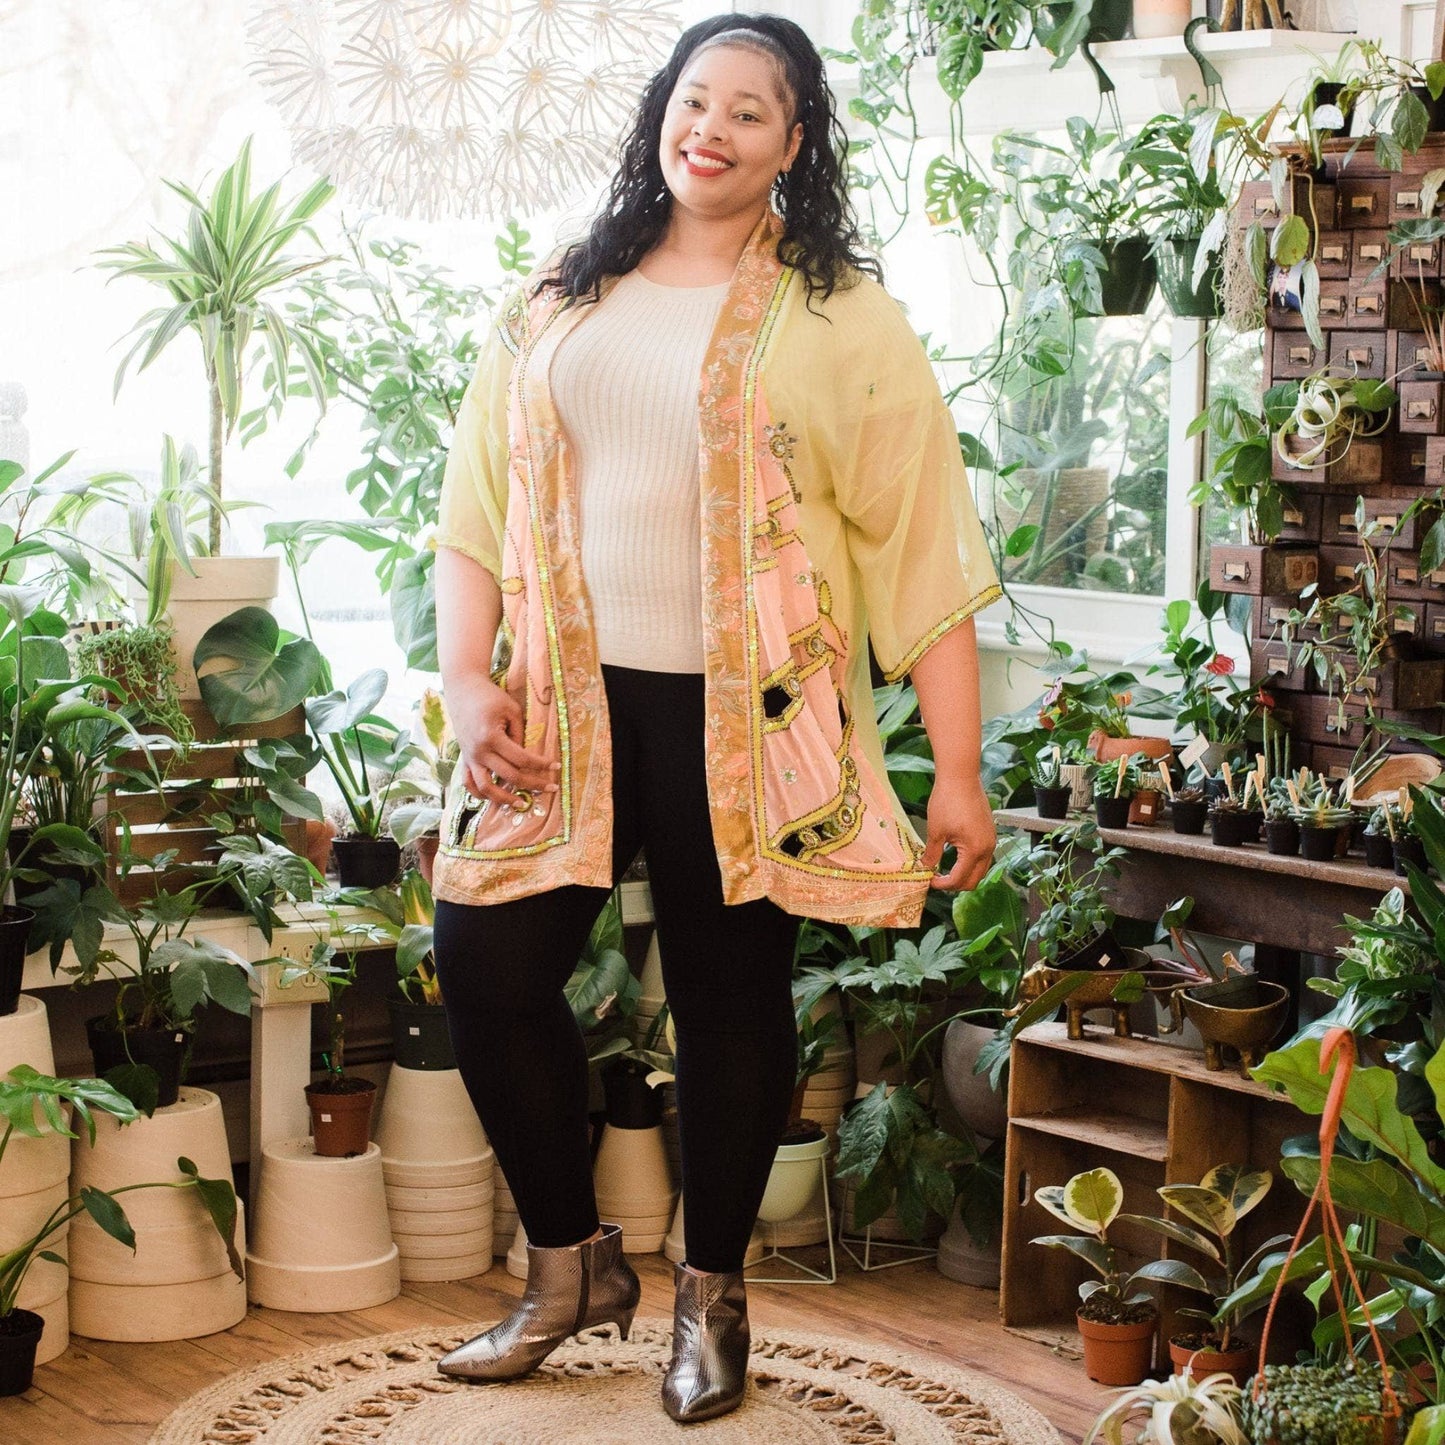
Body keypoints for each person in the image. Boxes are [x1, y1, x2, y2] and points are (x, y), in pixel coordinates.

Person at [429, 11, 1001, 1424]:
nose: (715, 128)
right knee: (484, 964)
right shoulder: (565, 290)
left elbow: (923, 539)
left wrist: (961, 773)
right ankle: (568, 1267)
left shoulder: (841, 315)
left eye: (753, 110)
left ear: (794, 144)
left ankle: (711, 1294)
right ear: (659, 116)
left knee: (732, 1003)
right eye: (697, 100)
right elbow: (472, 505)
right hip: (562, 704)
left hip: (751, 718)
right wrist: (465, 676)